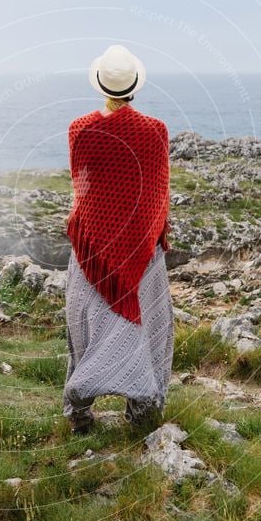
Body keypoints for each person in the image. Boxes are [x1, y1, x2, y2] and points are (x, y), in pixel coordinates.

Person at [63, 44, 174, 434]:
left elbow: (84, 188)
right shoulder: (156, 131)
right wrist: (149, 232)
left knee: (87, 326)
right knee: (144, 326)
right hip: (141, 253)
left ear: (101, 85)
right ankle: (141, 413)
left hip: (92, 252)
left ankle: (80, 410)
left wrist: (93, 228)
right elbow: (158, 194)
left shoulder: (80, 129)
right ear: (134, 87)